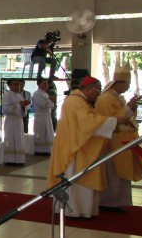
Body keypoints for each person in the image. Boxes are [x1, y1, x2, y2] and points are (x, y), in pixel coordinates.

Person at [47, 77, 119, 220]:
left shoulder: (79, 100)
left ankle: (80, 209)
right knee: (74, 177)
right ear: (89, 88)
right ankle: (74, 209)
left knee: (77, 176)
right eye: (97, 91)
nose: (98, 94)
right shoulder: (76, 101)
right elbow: (87, 123)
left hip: (76, 144)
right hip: (73, 147)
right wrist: (114, 121)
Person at [95, 67, 142, 212]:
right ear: (119, 83)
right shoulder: (106, 98)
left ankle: (118, 201)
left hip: (121, 141)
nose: (128, 87)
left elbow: (126, 117)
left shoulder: (118, 97)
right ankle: (109, 202)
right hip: (111, 141)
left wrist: (132, 107)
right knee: (112, 174)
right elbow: (111, 121)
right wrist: (129, 107)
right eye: (127, 84)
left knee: (120, 173)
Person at [2, 79, 29, 166]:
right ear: (9, 85)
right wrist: (19, 105)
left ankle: (19, 159)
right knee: (11, 138)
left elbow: (23, 108)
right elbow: (6, 108)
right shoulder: (7, 95)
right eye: (15, 84)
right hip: (11, 120)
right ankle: (10, 160)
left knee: (19, 138)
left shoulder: (19, 95)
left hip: (18, 120)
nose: (17, 86)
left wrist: (24, 106)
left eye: (18, 84)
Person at [31, 78, 55, 155]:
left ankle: (48, 149)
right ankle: (40, 150)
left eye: (46, 83)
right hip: (40, 117)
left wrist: (50, 101)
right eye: (44, 83)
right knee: (41, 132)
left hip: (47, 116)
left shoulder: (45, 94)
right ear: (38, 84)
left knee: (48, 132)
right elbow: (43, 104)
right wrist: (50, 101)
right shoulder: (37, 94)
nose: (46, 85)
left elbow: (51, 105)